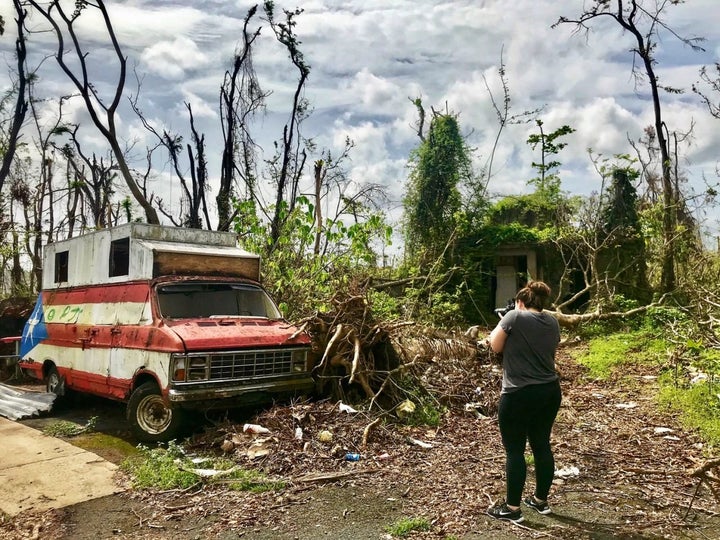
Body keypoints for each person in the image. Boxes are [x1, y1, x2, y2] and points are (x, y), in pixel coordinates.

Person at [484, 280, 562, 524]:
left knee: (515, 450)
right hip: (549, 391)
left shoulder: (514, 317)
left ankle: (512, 508)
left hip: (518, 393)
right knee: (541, 445)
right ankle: (540, 501)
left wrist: (504, 319)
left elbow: (494, 346)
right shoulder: (553, 321)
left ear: (520, 302)